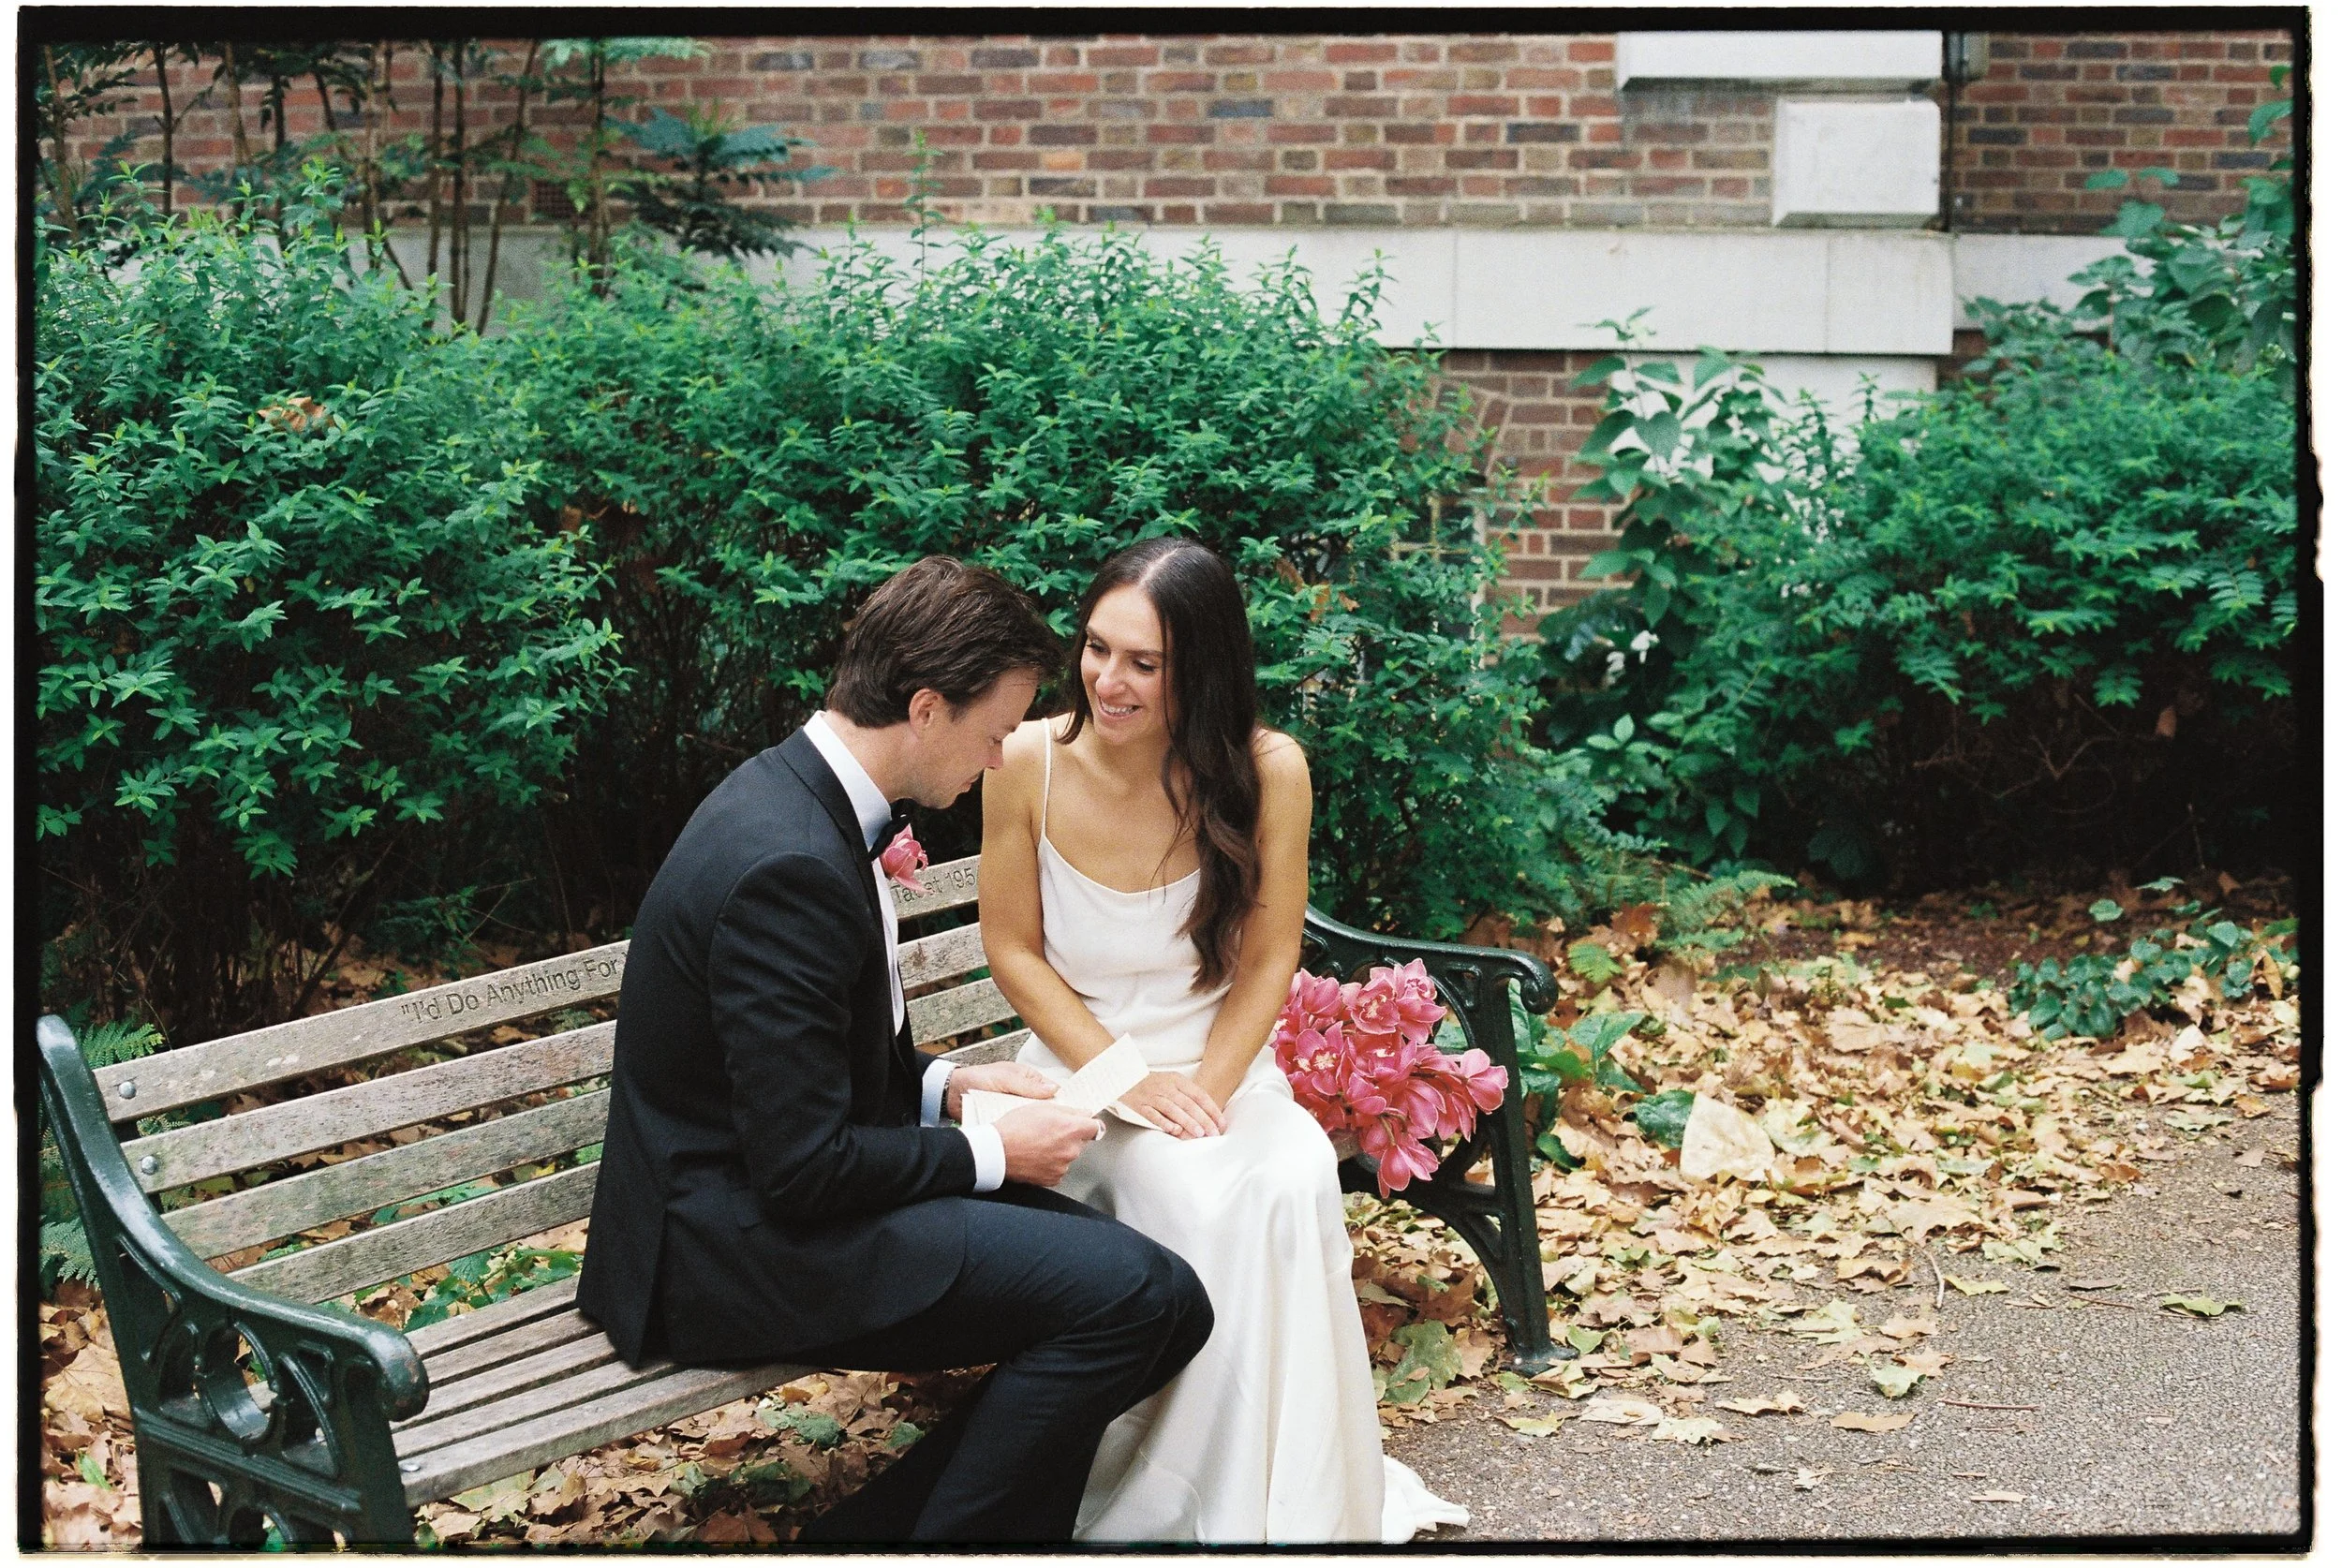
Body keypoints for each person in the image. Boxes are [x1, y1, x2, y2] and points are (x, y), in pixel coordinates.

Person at [576, 555, 1214, 1545]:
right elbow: (802, 1167)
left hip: (768, 1205)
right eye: (996, 731)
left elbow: (792, 1072)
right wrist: (1000, 1152)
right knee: (1137, 1299)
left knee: (1158, 1294)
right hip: (727, 1249)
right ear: (925, 708)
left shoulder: (808, 804)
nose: (999, 760)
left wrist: (953, 1088)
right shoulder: (785, 865)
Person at [977, 538, 1469, 1543]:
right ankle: (1162, 1502)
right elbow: (1012, 951)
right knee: (1186, 1194)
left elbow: (1269, 957)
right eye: (1097, 649)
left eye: (1143, 664)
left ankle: (1284, 1499)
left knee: (1285, 1179)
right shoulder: (1026, 761)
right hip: (1082, 1073)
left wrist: (1206, 1086)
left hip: (1226, 1069)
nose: (1108, 681)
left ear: (1199, 670)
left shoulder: (1267, 769)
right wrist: (1123, 1078)